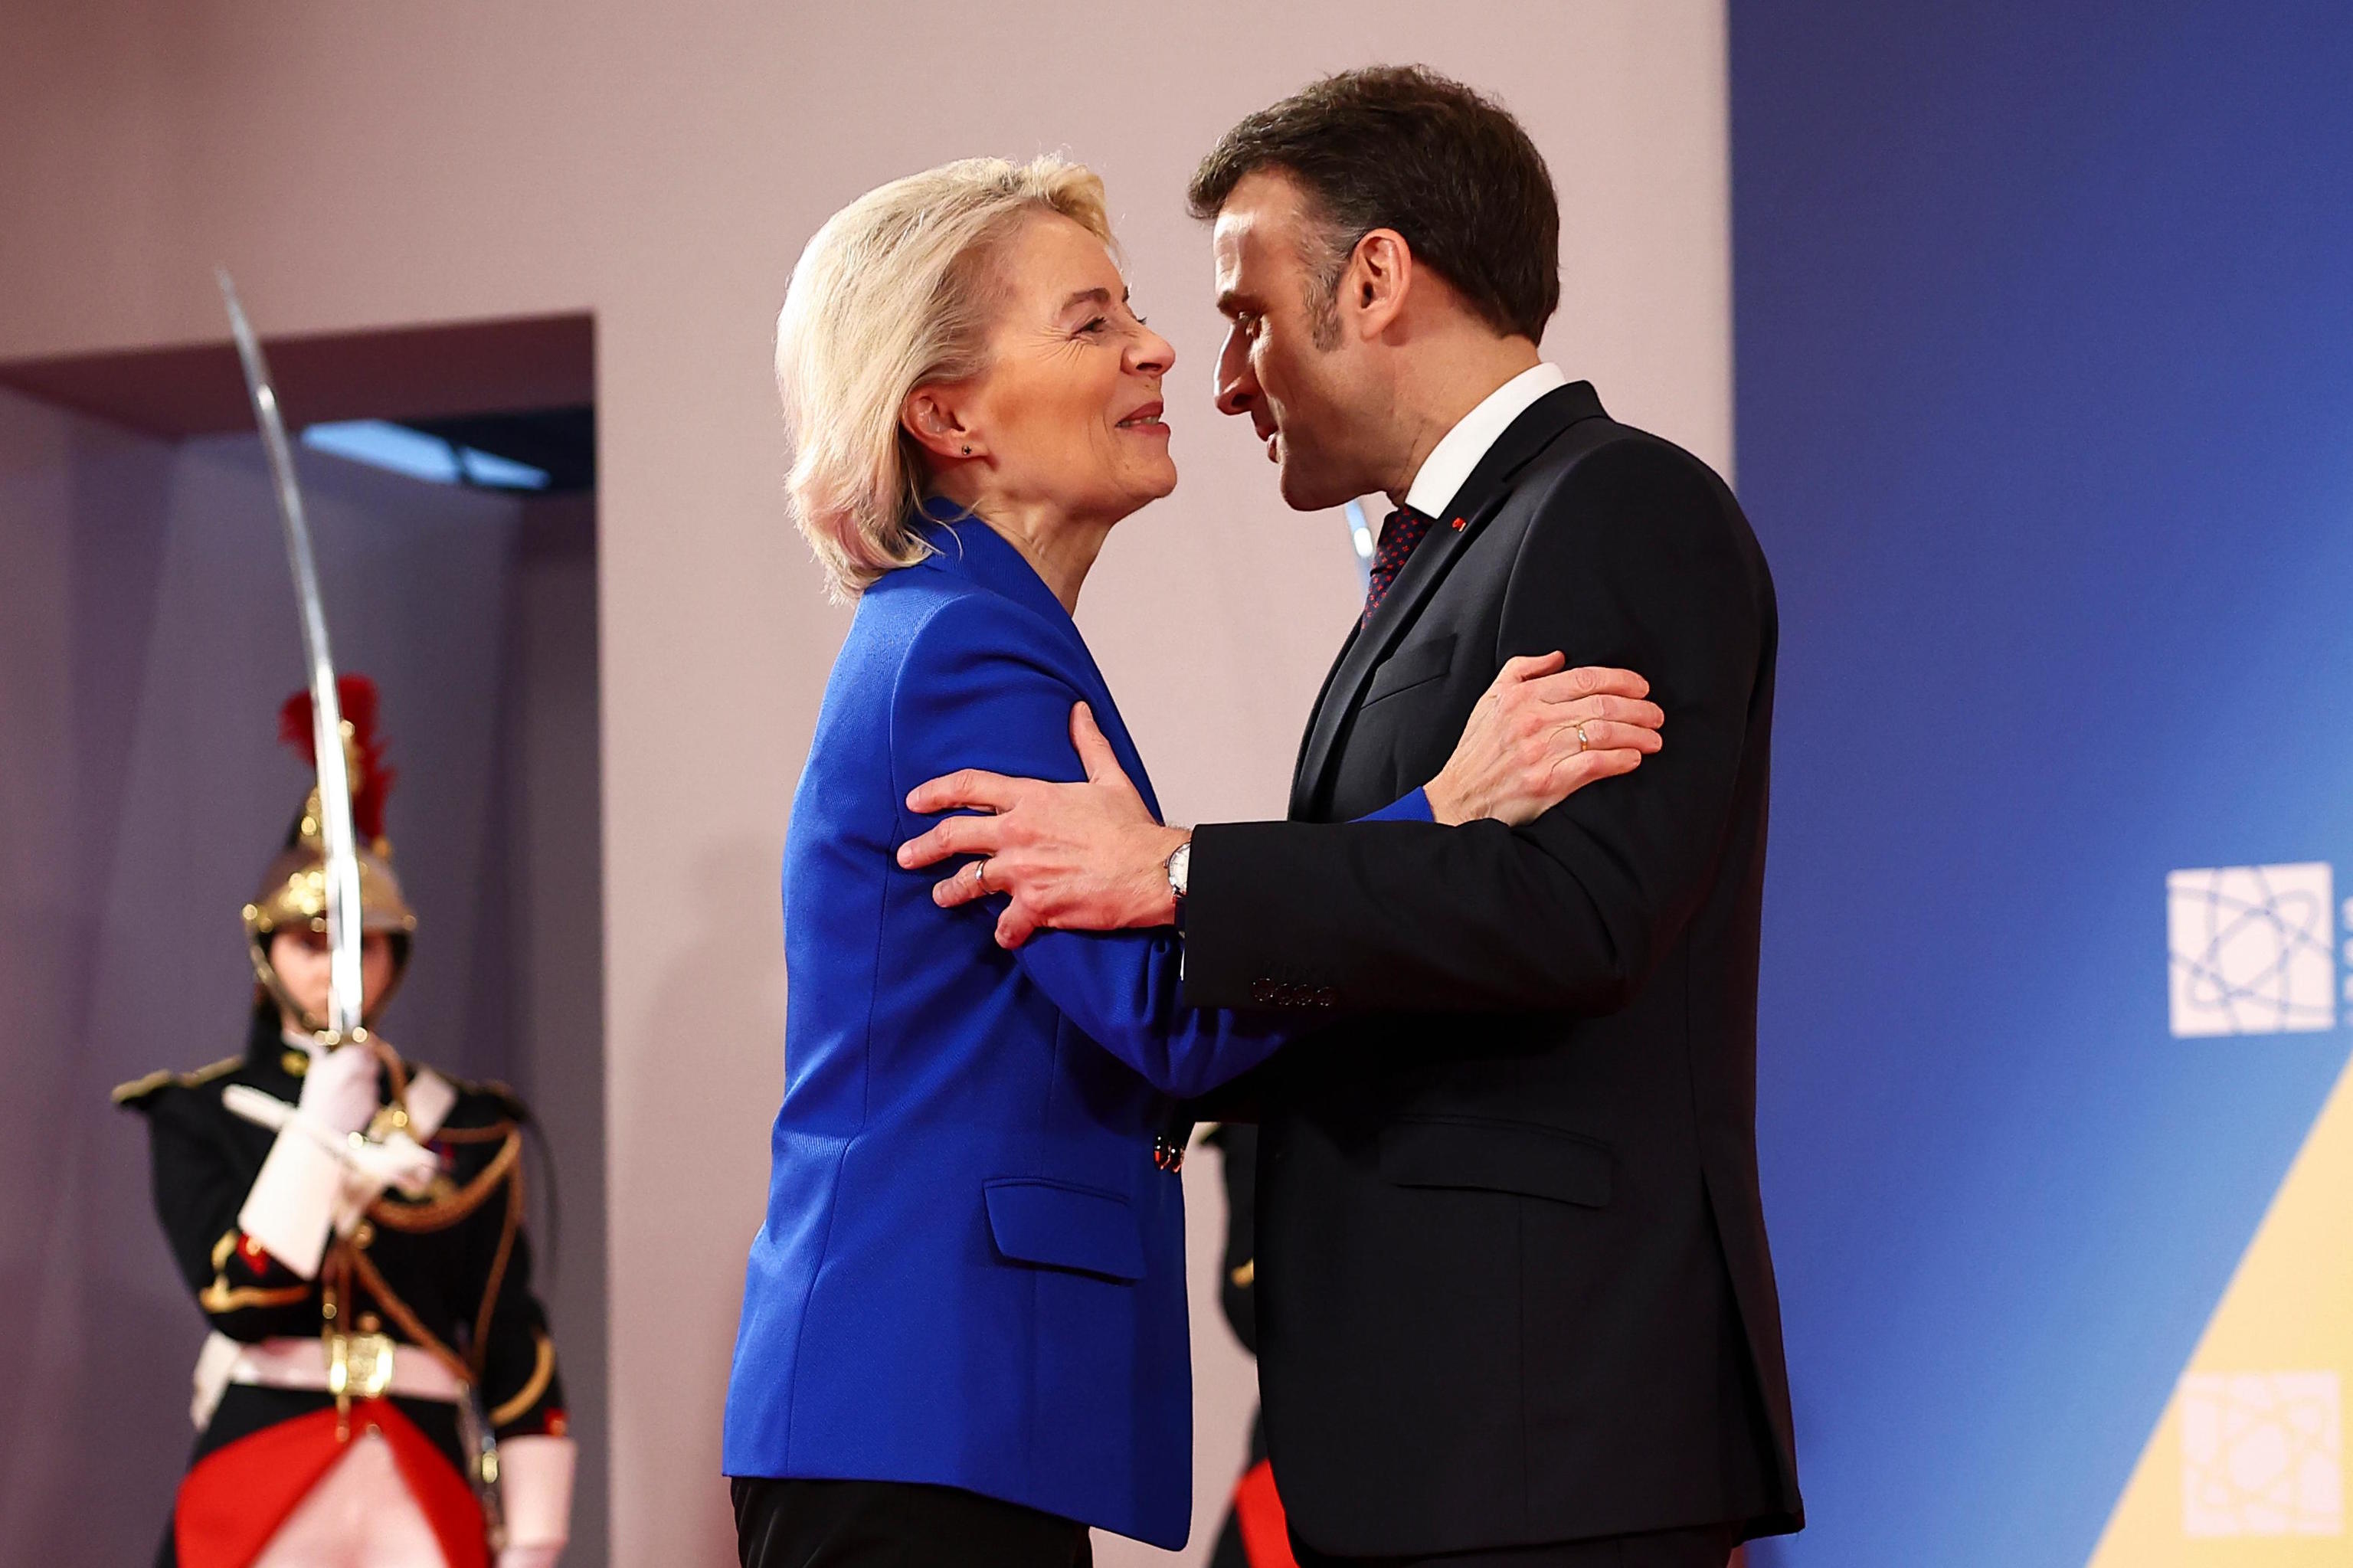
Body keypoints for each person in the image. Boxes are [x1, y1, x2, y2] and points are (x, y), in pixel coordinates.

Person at [898, 67, 1805, 1567]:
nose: (1228, 376)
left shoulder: (1616, 510)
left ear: (1376, 278)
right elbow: (1405, 952)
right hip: (1446, 1430)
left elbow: (1579, 912)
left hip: (1546, 1427)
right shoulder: (1447, 553)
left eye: (1247, 314)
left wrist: (1178, 872)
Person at [720, 155, 1664, 1567]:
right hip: (921, 1403)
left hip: (944, 1408)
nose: (1157, 346)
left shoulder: (981, 633)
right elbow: (1165, 1011)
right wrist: (1447, 812)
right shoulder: (963, 651)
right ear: (946, 412)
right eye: (1091, 322)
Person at [115, 676, 574, 1568]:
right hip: (266, 1444)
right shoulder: (198, 1113)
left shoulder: (471, 1122)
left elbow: (508, 1334)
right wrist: (320, 1136)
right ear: (267, 951)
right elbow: (240, 1301)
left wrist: (536, 1531)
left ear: (398, 952)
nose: (337, 967)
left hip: (423, 1454)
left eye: (362, 942)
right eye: (310, 941)